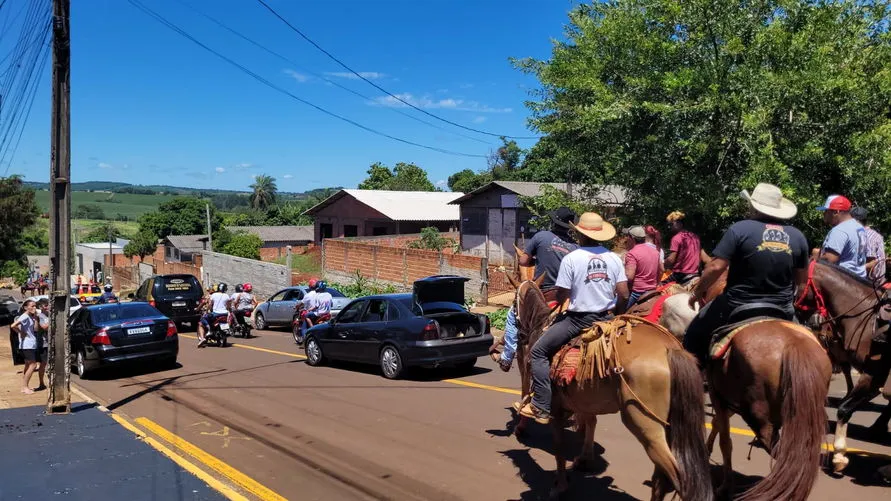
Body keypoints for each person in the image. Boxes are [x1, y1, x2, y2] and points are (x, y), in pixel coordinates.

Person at [518, 212, 629, 424]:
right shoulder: (614, 258)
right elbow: (623, 294)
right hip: (607, 318)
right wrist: (617, 315)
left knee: (538, 351)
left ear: (580, 234)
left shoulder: (572, 258)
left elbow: (561, 294)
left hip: (579, 320)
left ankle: (541, 405)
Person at [683, 183, 808, 365]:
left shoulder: (739, 229)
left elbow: (716, 267)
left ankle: (695, 375)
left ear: (753, 206)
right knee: (807, 339)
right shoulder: (797, 236)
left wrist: (697, 292)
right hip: (782, 308)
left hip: (737, 304)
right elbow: (802, 283)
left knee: (692, 336)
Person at [494, 207, 579, 373]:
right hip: (567, 295)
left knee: (513, 316)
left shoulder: (541, 236)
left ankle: (507, 357)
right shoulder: (575, 247)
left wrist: (538, 257)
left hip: (544, 292)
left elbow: (524, 261)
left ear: (553, 221)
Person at [817, 194, 867, 278]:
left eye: (826, 211)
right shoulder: (859, 227)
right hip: (860, 281)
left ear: (836, 212)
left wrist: (814, 260)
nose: (824, 214)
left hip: (844, 281)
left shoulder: (840, 230)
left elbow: (828, 260)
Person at [664, 211, 710, 284]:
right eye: (669, 224)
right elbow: (704, 257)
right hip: (695, 274)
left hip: (680, 274)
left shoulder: (676, 238)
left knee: (659, 287)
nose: (670, 227)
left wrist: (662, 264)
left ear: (679, 223)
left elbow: (671, 260)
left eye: (671, 224)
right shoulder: (695, 237)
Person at [624, 225, 664, 308]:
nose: (626, 239)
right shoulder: (655, 251)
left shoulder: (631, 253)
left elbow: (630, 277)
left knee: (617, 312)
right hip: (652, 291)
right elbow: (661, 270)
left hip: (636, 293)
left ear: (631, 238)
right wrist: (656, 283)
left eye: (627, 236)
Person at [10, 299, 41, 394]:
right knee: (33, 365)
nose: (34, 308)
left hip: (31, 343)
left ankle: (25, 386)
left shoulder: (31, 317)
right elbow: (13, 325)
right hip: (27, 344)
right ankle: (24, 386)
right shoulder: (24, 316)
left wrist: (35, 318)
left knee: (28, 365)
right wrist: (21, 332)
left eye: (35, 306)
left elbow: (36, 329)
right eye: (31, 306)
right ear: (25, 307)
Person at [851, 207, 886, 284]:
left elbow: (871, 264)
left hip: (871, 285)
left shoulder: (866, 236)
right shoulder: (873, 234)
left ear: (856, 221)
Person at [198, 283, 230, 347]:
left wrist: (207, 311)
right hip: (225, 313)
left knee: (202, 321)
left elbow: (210, 305)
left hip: (216, 314)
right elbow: (228, 305)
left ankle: (208, 332)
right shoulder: (227, 296)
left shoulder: (214, 295)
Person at [34, 298, 50, 390]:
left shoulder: (50, 315)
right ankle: (41, 383)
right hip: (43, 344)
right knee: (43, 364)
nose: (47, 307)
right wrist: (53, 320)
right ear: (41, 307)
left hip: (51, 343)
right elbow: (44, 327)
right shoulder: (40, 316)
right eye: (45, 305)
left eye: (48, 305)